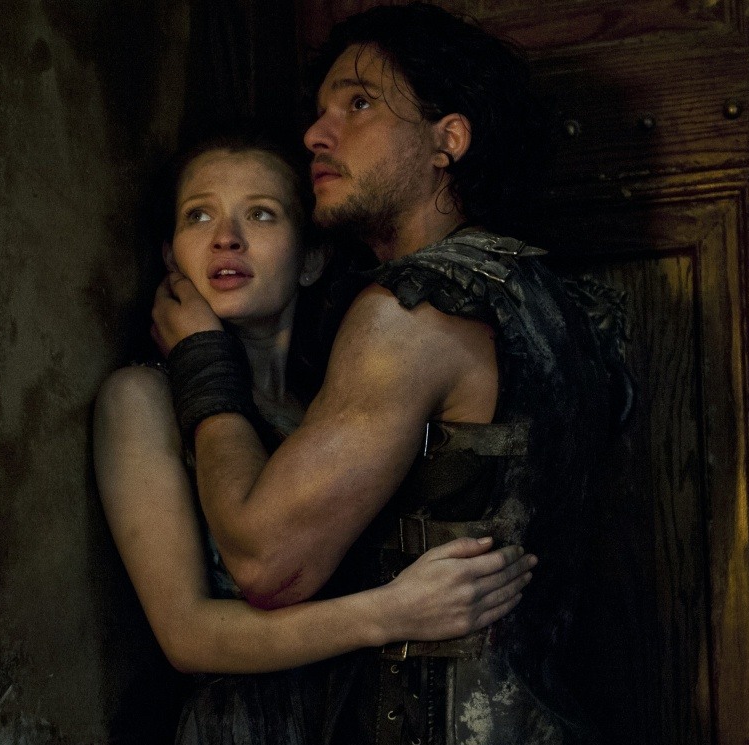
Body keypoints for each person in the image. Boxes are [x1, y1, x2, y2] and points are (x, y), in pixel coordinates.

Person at [152, 5, 633, 743]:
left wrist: (201, 362)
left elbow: (265, 560)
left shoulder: (412, 312)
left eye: (359, 104)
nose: (316, 135)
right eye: (320, 112)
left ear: (449, 140)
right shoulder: (558, 302)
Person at [94, 136, 538, 745]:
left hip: (355, 718)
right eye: (199, 215)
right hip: (243, 728)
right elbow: (186, 635)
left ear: (310, 259)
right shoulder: (141, 398)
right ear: (171, 256)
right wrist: (391, 612)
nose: (226, 238)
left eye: (261, 214)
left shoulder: (328, 406)